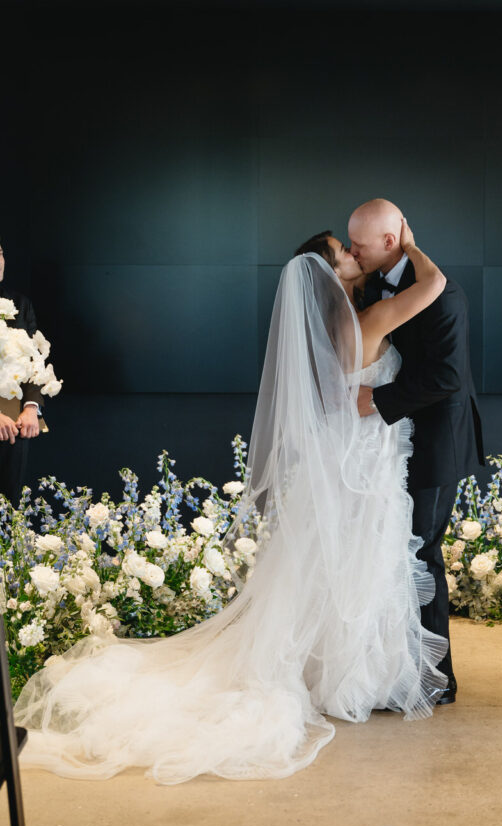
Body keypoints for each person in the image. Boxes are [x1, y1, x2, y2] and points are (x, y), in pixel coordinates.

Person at [15, 220, 451, 784]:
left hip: (354, 462)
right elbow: (435, 284)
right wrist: (409, 243)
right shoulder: (366, 322)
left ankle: (333, 672)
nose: (352, 253)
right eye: (344, 252)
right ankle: (348, 677)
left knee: (334, 563)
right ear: (328, 273)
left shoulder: (331, 325)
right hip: (363, 465)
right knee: (356, 560)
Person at [349, 199, 484, 705]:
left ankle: (435, 680)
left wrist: (378, 400)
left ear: (390, 242)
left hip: (433, 445)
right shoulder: (371, 282)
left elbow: (448, 376)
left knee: (422, 556)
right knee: (394, 554)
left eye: (360, 245)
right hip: (392, 445)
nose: (354, 253)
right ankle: (393, 667)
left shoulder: (444, 296)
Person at [0, 240, 45, 507]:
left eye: (1, 253)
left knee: (9, 506)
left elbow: (34, 358)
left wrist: (31, 407)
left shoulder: (20, 303)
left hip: (13, 425)